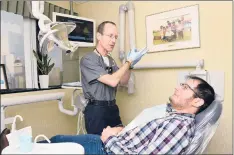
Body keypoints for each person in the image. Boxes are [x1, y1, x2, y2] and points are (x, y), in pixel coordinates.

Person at [38, 75, 215, 154]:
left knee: (52, 144)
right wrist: (121, 131)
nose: (177, 87)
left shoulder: (179, 127)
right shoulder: (173, 115)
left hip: (105, 149)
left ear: (197, 101)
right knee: (54, 140)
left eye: (185, 87)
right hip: (113, 142)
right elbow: (146, 137)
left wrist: (109, 139)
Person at [80, 21, 148, 135]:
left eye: (115, 37)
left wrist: (130, 66)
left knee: (120, 139)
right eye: (110, 36)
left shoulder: (110, 60)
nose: (113, 41)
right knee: (99, 145)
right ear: (98, 36)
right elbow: (112, 81)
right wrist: (128, 61)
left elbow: (123, 81)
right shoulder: (88, 59)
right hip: (96, 110)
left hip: (112, 108)